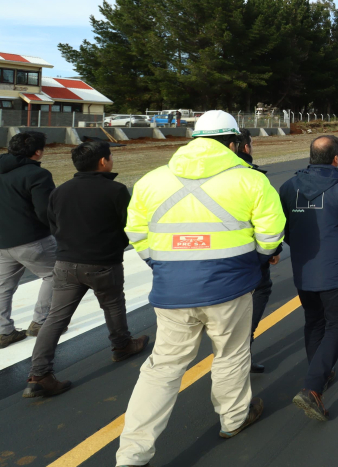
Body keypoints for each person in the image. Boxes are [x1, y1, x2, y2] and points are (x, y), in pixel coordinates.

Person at [115, 111, 285, 467]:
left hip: (171, 291)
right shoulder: (251, 181)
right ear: (234, 143)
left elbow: (136, 233)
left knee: (162, 368)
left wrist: (163, 265)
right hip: (230, 288)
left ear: (193, 140)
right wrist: (252, 261)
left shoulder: (150, 181)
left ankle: (132, 454)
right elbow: (271, 234)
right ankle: (233, 419)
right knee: (231, 354)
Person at [24, 141, 148, 398]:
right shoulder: (116, 190)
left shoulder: (60, 191)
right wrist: (116, 246)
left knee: (56, 318)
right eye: (110, 156)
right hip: (103, 262)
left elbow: (53, 224)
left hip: (65, 263)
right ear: (103, 161)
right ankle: (122, 345)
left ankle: (39, 374)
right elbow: (129, 225)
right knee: (113, 304)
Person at [279, 135, 338, 420]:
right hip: (335, 269)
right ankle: (313, 388)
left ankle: (318, 372)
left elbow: (283, 227)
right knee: (336, 324)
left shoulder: (289, 186)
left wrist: (300, 248)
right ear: (336, 158)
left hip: (304, 267)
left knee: (314, 320)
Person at [0, 131, 57, 348]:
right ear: (38, 152)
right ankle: (41, 321)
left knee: (4, 286)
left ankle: (3, 331)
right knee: (55, 274)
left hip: (2, 240)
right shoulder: (37, 175)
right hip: (32, 239)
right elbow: (45, 211)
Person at [236, 129, 279, 373]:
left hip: (202, 254)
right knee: (260, 290)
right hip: (248, 255)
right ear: (244, 147)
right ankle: (242, 352)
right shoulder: (253, 178)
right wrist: (270, 252)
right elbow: (268, 221)